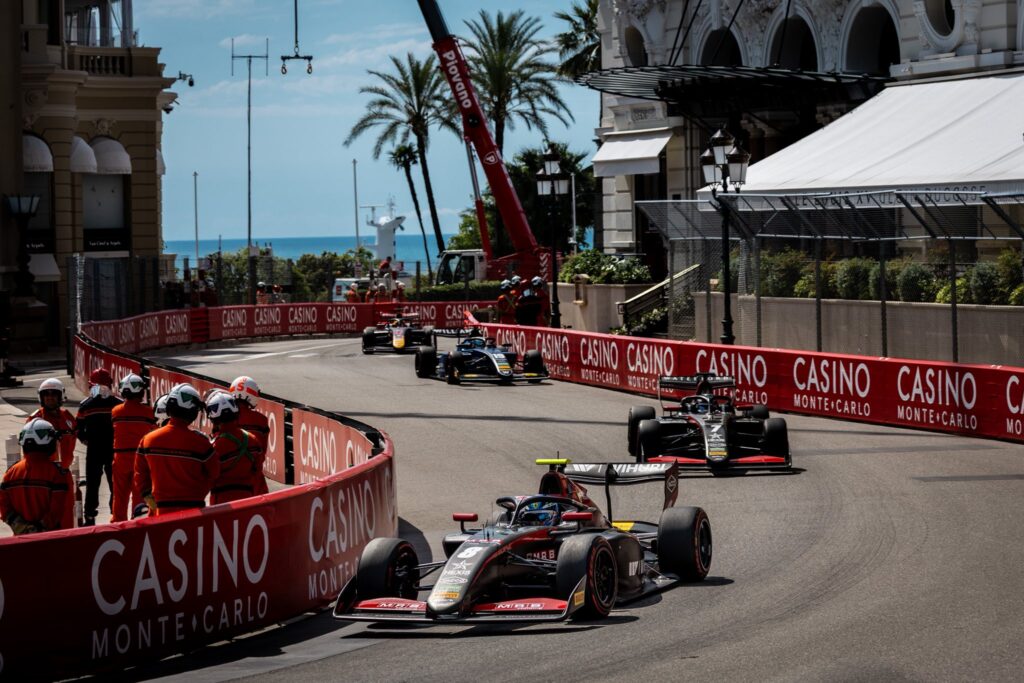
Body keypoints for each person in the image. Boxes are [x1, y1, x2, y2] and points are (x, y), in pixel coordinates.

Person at [134, 383, 219, 516]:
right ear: (192, 411)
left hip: (159, 512)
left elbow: (140, 473)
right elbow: (214, 473)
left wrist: (148, 496)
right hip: (194, 513)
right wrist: (199, 493)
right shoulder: (201, 443)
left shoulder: (148, 440)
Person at [0, 419, 69, 535]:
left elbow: (4, 508)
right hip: (49, 540)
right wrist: (37, 530)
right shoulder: (56, 474)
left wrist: (23, 528)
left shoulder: (10, 473)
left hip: (20, 541)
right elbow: (56, 512)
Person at [27, 377, 78, 528]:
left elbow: (75, 436)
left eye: (53, 394)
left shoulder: (68, 417)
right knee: (46, 517)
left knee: (67, 514)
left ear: (61, 396)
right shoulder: (35, 419)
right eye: (46, 395)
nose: (50, 398)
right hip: (44, 476)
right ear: (41, 398)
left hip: (64, 474)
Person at [77, 368, 122, 526]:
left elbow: (79, 429)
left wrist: (85, 440)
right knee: (114, 483)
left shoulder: (85, 406)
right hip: (112, 449)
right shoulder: (118, 404)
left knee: (93, 484)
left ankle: (90, 516)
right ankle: (115, 513)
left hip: (95, 450)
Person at [110, 373, 155, 523]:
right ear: (142, 392)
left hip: (120, 458)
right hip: (139, 459)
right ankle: (139, 522)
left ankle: (117, 523)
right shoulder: (148, 412)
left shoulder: (115, 411)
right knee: (139, 496)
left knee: (119, 495)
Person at [206, 392, 266, 505]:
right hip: (249, 501)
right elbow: (258, 470)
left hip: (221, 505)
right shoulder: (253, 440)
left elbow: (209, 477)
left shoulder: (215, 447)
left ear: (213, 419)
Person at [229, 376, 270, 495]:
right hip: (254, 480)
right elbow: (262, 453)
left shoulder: (224, 419)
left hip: (228, 480)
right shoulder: (261, 420)